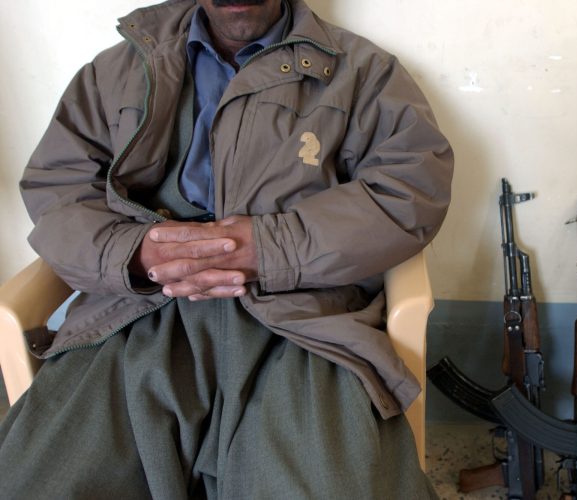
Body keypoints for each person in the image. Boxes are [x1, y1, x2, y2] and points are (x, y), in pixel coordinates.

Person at [0, 0, 453, 498]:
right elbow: (58, 186)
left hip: (301, 317)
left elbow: (410, 190)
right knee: (42, 479)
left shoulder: (362, 70)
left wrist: (266, 246)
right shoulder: (119, 69)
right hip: (137, 313)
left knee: (322, 482)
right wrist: (135, 253)